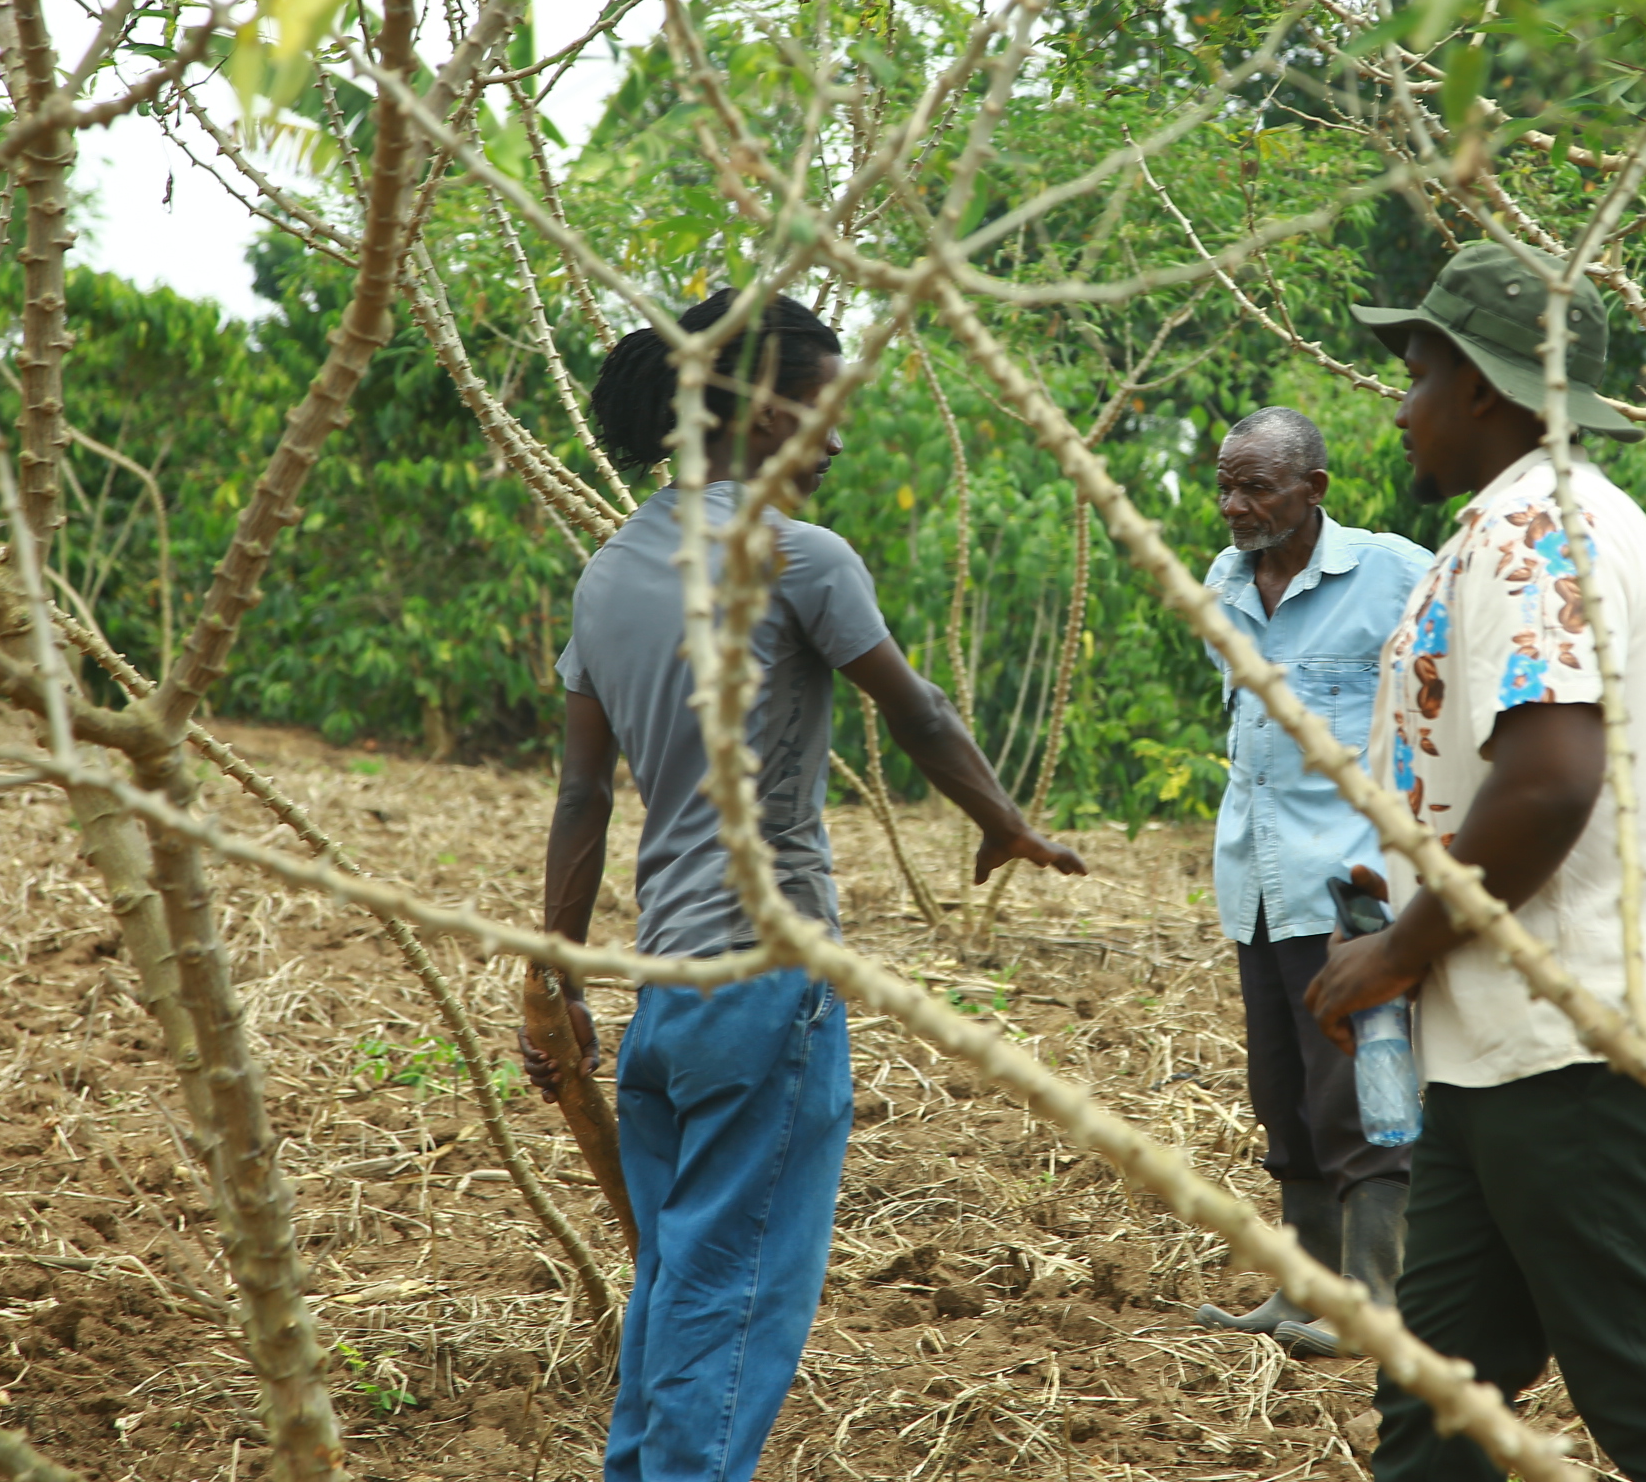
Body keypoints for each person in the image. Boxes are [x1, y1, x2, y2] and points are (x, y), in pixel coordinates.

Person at [523, 288, 1084, 1482]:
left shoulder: (607, 572)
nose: (833, 436)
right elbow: (919, 711)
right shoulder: (797, 555)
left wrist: (552, 978)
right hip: (766, 983)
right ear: (759, 407)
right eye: (823, 405)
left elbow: (582, 800)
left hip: (662, 995)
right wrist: (1006, 823)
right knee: (729, 1298)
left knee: (677, 1280)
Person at [1305, 243, 1646, 1482]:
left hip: (1574, 1028)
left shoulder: (1535, 535)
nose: (1397, 407)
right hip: (1509, 1034)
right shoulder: (1533, 523)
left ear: (1485, 389)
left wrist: (1396, 954)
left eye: (1414, 374)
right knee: (1440, 1397)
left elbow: (1551, 778)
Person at [1189, 408, 1432, 1358]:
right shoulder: (1222, 583)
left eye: (1256, 487)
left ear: (1314, 491)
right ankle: (1302, 1293)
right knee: (1283, 1097)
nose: (1234, 506)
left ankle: (1374, 1304)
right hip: (1255, 883)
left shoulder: (1394, 574)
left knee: (1364, 1099)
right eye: (1226, 485)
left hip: (1350, 893)